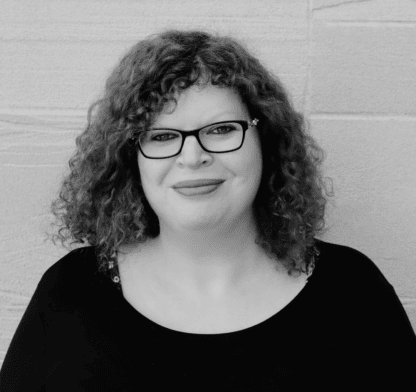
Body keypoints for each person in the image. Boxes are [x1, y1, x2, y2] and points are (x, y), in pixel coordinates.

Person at [0, 30, 415, 391]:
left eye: (220, 130)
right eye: (162, 136)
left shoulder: (354, 294)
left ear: (265, 140)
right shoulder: (70, 293)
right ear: (131, 158)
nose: (193, 156)